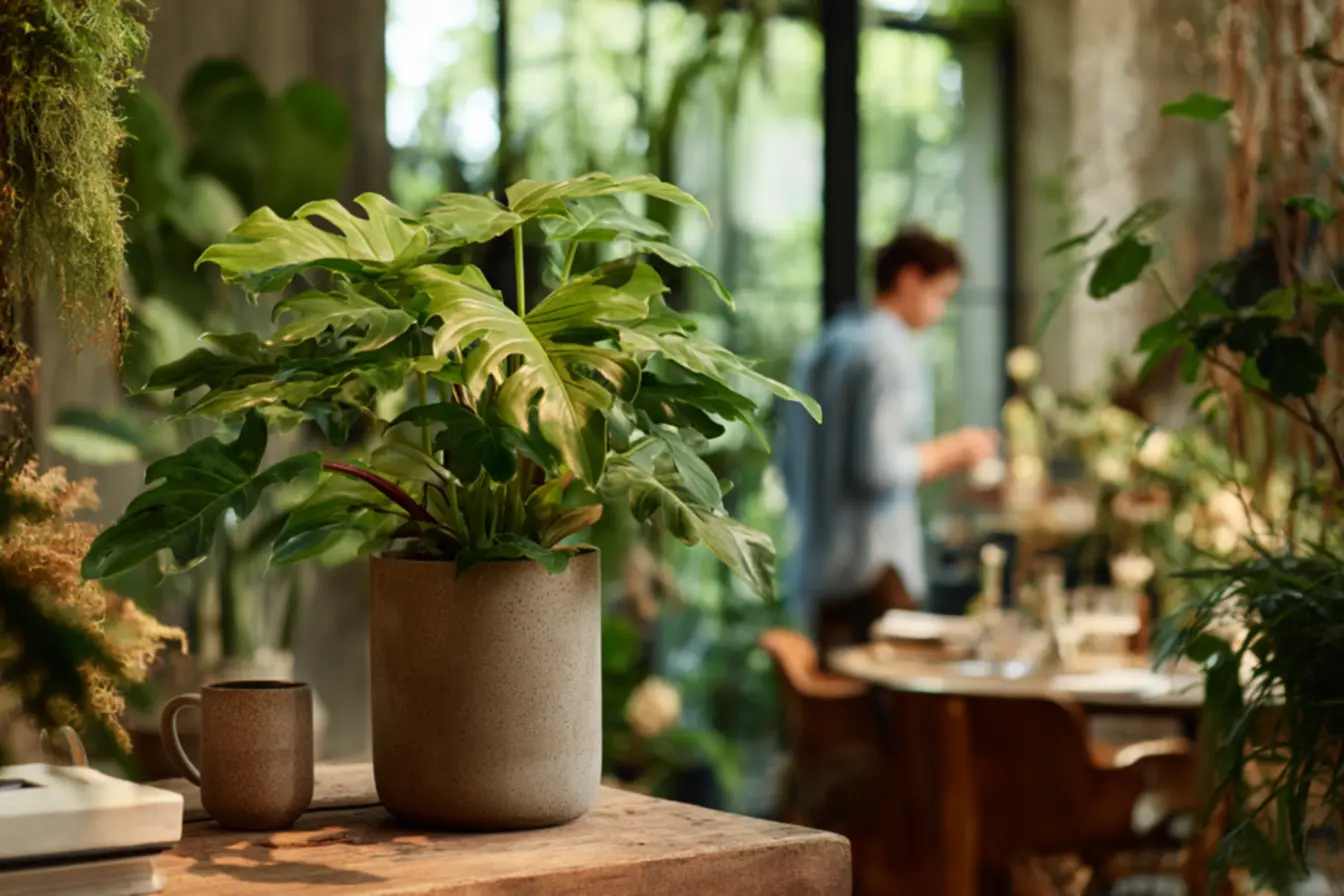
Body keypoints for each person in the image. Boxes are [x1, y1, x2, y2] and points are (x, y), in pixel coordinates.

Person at [779, 228, 999, 659]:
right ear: (910, 279)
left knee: (840, 716)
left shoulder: (825, 346)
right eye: (941, 295)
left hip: (817, 567)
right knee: (895, 716)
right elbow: (876, 468)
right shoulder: (889, 352)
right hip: (875, 572)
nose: (940, 312)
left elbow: (788, 460)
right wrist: (952, 452)